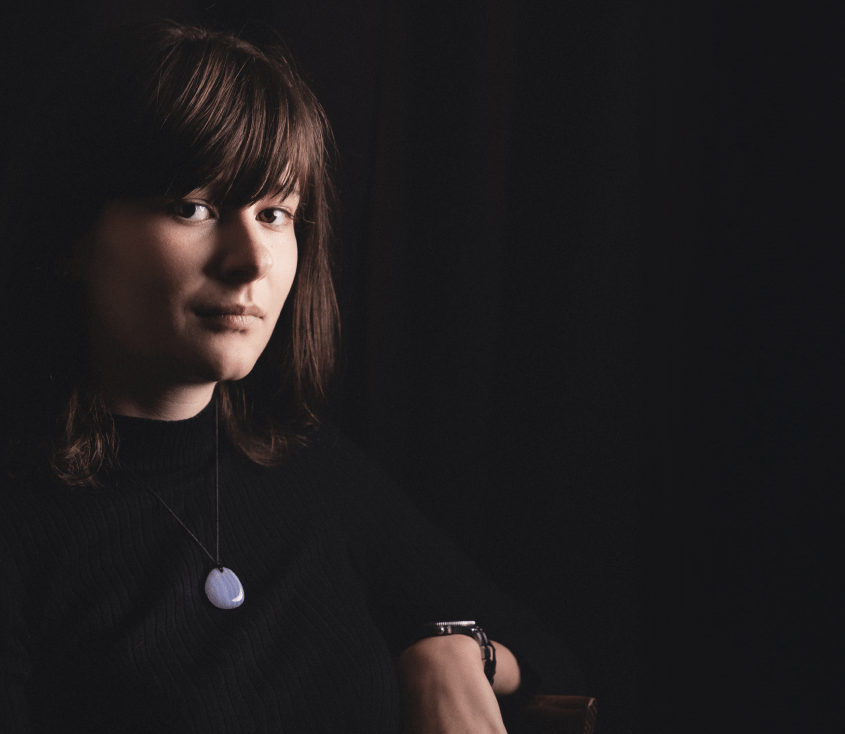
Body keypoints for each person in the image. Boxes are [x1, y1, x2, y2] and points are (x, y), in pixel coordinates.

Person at [0, 21, 570, 733]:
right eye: (193, 207)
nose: (252, 260)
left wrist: (453, 648)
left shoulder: (303, 463)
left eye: (274, 213)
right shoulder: (20, 518)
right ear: (70, 239)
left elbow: (551, 663)